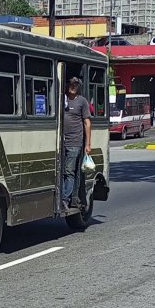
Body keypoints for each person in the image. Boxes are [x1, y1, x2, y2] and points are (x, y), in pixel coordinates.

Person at [62, 77, 91, 212]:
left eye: (76, 85)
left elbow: (87, 123)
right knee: (61, 171)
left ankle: (65, 199)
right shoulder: (62, 99)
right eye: (71, 84)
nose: (73, 86)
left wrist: (87, 144)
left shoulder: (82, 101)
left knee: (69, 171)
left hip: (75, 142)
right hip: (61, 142)